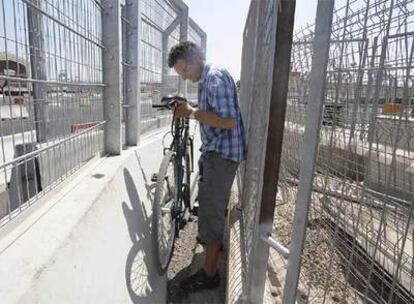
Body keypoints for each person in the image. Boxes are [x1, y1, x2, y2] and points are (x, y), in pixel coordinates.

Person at [167, 41, 247, 292]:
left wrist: (191, 112)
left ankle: (209, 274)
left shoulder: (214, 77)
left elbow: (229, 122)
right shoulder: (208, 79)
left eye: (185, 70)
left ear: (196, 59)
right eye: (180, 73)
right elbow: (214, 113)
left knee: (211, 212)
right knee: (211, 207)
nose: (184, 76)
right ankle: (213, 250)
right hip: (217, 152)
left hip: (222, 154)